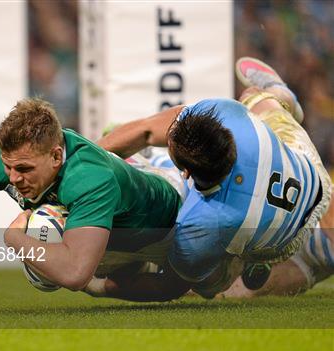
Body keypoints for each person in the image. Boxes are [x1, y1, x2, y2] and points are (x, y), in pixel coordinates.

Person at [98, 57, 332, 298]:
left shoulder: (202, 223)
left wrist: (99, 287)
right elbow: (146, 131)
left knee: (208, 283)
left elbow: (169, 286)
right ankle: (283, 94)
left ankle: (242, 263)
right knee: (256, 97)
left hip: (279, 243)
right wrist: (90, 155)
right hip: (311, 174)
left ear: (186, 172)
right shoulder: (230, 117)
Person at [0, 98, 188, 299]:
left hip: (171, 221)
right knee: (58, 232)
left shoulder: (89, 179)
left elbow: (75, 273)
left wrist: (13, 238)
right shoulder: (8, 157)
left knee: (189, 285)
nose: (13, 178)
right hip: (113, 224)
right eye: (8, 167)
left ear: (56, 156)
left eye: (24, 169)